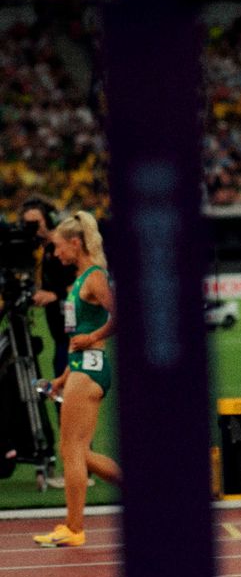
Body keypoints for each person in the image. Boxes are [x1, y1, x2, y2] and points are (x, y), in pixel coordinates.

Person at [32, 211, 121, 549]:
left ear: (74, 242)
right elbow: (78, 337)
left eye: (58, 248)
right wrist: (62, 377)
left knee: (70, 449)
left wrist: (92, 337)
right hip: (81, 367)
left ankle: (74, 527)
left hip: (91, 367)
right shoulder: (81, 280)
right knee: (79, 451)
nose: (55, 255)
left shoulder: (96, 277)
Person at [20, 194, 74, 377]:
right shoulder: (44, 251)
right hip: (60, 334)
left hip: (75, 333)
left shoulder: (67, 246)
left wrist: (53, 295)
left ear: (49, 220)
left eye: (37, 223)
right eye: (28, 224)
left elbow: (86, 282)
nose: (33, 229)